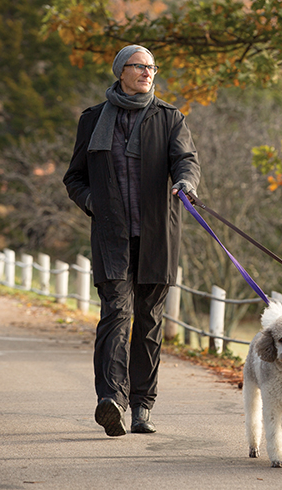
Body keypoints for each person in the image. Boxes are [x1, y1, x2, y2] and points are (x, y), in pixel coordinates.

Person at [63, 44, 201, 437]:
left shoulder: (170, 118)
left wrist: (186, 184)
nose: (148, 72)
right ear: (120, 71)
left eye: (152, 66)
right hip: (111, 237)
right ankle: (111, 400)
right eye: (139, 66)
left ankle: (142, 406)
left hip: (157, 236)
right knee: (116, 316)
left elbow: (185, 160)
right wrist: (94, 204)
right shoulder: (92, 120)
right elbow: (74, 177)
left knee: (150, 322)